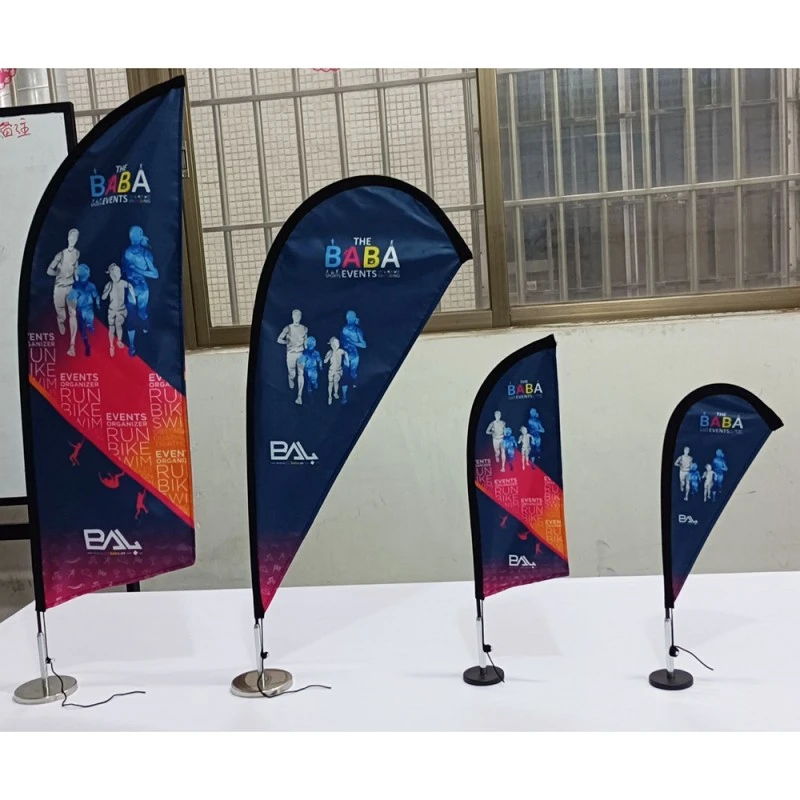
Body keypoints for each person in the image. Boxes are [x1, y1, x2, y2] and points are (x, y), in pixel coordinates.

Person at [122, 225, 159, 356]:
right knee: (131, 315)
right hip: (130, 287)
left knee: (142, 312)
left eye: (135, 234)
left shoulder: (146, 253)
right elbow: (124, 269)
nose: (132, 236)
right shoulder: (126, 252)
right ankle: (132, 345)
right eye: (131, 234)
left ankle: (145, 326)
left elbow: (155, 274)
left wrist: (137, 270)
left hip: (142, 287)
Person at [47, 228, 80, 338]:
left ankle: (72, 338)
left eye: (75, 237)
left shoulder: (77, 253)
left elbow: (75, 266)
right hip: (59, 288)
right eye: (72, 236)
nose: (73, 239)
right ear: (68, 238)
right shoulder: (60, 255)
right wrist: (57, 273)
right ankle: (60, 321)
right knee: (62, 314)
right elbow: (49, 270)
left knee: (73, 312)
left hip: (70, 287)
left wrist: (77, 276)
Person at [66, 263, 100, 357]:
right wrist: (72, 308)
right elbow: (70, 299)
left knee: (89, 321)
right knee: (83, 327)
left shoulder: (91, 286)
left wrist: (98, 303)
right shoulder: (76, 287)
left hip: (88, 308)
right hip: (81, 310)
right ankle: (86, 342)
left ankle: (90, 327)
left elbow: (96, 295)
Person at [102, 263, 136, 357]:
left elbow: (130, 286)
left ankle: (119, 340)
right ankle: (111, 346)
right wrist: (107, 290)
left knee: (118, 324)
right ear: (110, 275)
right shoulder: (109, 285)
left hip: (121, 309)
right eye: (113, 274)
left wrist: (133, 297)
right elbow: (103, 297)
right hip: (111, 310)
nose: (116, 275)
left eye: (118, 273)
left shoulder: (122, 283)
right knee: (111, 327)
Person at [277, 309, 308, 402]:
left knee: (301, 373)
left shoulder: (304, 329)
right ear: (292, 316)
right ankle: (291, 378)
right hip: (291, 354)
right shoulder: (288, 328)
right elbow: (279, 339)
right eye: (295, 315)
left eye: (299, 316)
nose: (297, 317)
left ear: (301, 317)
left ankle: (299, 396)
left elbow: (306, 342)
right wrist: (286, 342)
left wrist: (308, 346)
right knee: (292, 373)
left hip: (301, 354)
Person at [340, 310, 366, 405]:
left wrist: (352, 341)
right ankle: (345, 396)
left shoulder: (355, 330)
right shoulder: (348, 329)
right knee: (347, 374)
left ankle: (351, 392)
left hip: (352, 356)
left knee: (350, 374)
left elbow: (364, 345)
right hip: (349, 355)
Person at [324, 336, 349, 406]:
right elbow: (325, 361)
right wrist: (328, 356)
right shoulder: (330, 352)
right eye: (333, 344)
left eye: (336, 344)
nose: (335, 346)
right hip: (331, 371)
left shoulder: (340, 351)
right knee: (330, 383)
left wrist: (347, 360)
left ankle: (335, 393)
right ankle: (329, 397)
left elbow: (345, 353)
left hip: (338, 370)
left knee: (336, 382)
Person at [297, 336, 322, 402]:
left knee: (312, 380)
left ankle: (313, 386)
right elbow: (319, 360)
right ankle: (311, 392)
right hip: (309, 370)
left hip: (312, 370)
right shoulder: (306, 354)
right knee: (309, 381)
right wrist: (320, 366)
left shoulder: (314, 353)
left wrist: (320, 365)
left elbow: (319, 360)